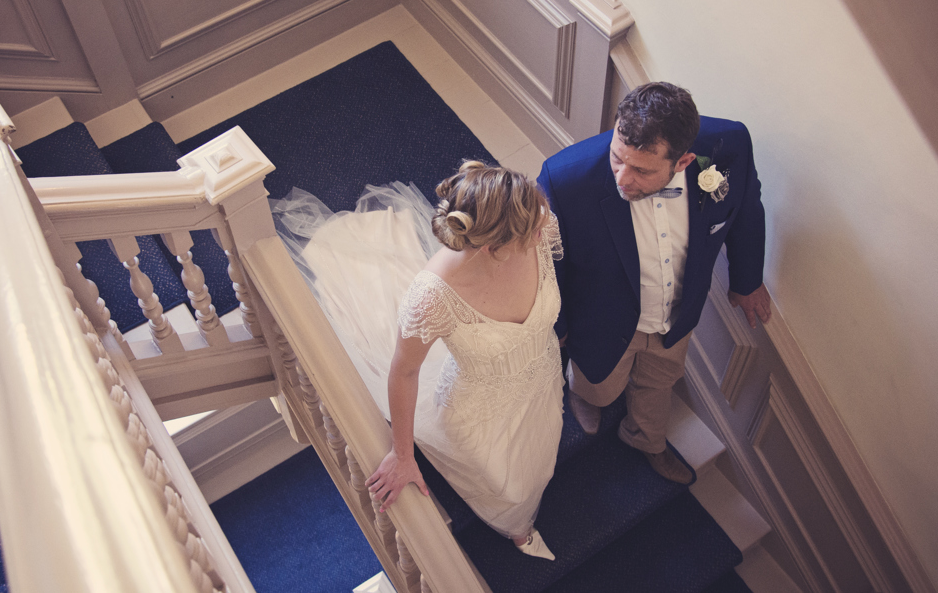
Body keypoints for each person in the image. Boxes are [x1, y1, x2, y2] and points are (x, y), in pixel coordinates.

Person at [271, 161, 564, 560]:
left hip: (542, 375)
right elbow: (405, 370)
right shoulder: (432, 297)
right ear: (495, 247)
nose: (544, 227)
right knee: (506, 483)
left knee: (543, 447)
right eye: (530, 230)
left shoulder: (540, 228)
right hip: (479, 408)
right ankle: (517, 525)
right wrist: (403, 455)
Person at [537, 82, 770, 484]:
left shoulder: (730, 146)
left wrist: (747, 280)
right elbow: (549, 263)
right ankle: (585, 395)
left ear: (683, 162)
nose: (622, 179)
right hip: (603, 318)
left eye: (642, 170)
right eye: (616, 159)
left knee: (660, 380)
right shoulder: (564, 179)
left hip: (677, 315)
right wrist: (556, 329)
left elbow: (746, 209)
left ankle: (646, 439)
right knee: (599, 383)